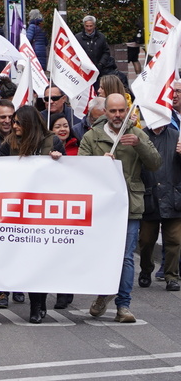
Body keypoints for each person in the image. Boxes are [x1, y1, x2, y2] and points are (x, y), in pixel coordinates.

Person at [79, 92, 160, 324]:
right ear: (105, 112)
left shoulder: (137, 134)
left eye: (121, 110)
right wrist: (99, 165)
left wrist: (140, 144)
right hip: (101, 208)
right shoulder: (92, 137)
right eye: (113, 111)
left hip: (129, 206)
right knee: (102, 255)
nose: (117, 115)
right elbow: (80, 169)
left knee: (125, 257)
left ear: (127, 111)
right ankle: (104, 292)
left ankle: (123, 305)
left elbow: (155, 163)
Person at [0, 105, 66, 320]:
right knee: (25, 259)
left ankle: (37, 305)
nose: (13, 125)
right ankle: (38, 303)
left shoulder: (52, 141)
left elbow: (70, 173)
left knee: (39, 260)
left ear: (29, 124)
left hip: (44, 211)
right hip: (20, 211)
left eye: (17, 122)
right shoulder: (10, 143)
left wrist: (59, 160)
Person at [139, 115, 181, 293]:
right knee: (146, 240)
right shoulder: (140, 136)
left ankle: (172, 275)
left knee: (174, 240)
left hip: (173, 197)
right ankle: (146, 269)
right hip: (150, 197)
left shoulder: (175, 135)